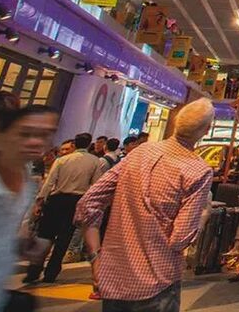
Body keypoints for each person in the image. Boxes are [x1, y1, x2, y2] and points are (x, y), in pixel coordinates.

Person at [75, 98, 216, 310]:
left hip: (113, 276)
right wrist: (203, 216)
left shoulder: (140, 152)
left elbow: (89, 202)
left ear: (176, 121)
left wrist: (95, 256)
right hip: (158, 281)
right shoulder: (198, 171)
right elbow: (180, 239)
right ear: (206, 130)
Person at [0, 104, 57, 312]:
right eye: (25, 133)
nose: (36, 141)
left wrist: (21, 245)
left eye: (46, 135)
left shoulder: (25, 184)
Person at [26, 130, 103, 283]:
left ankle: (34, 269)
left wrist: (39, 202)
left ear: (74, 144)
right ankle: (52, 272)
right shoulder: (95, 162)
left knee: (45, 235)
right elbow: (95, 185)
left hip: (56, 200)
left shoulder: (62, 160)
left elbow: (49, 184)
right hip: (76, 202)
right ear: (88, 144)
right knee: (64, 239)